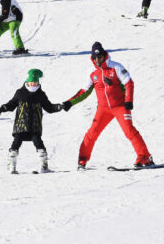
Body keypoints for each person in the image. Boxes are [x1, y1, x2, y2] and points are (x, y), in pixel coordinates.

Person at [61, 42, 154, 170]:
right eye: (95, 58)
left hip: (120, 106)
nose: (97, 60)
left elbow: (129, 83)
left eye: (99, 57)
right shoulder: (93, 73)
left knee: (129, 131)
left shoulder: (115, 67)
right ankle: (82, 160)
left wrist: (128, 101)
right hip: (103, 109)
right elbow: (85, 91)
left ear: (104, 55)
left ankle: (145, 157)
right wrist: (70, 102)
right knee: (92, 133)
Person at [0, 69, 63, 173]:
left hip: (35, 126)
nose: (33, 84)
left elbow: (49, 107)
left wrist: (58, 107)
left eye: (35, 82)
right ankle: (11, 166)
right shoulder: (20, 93)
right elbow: (11, 104)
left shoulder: (41, 94)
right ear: (27, 81)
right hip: (21, 125)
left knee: (38, 142)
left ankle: (43, 166)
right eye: (31, 81)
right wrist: (2, 108)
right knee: (16, 142)